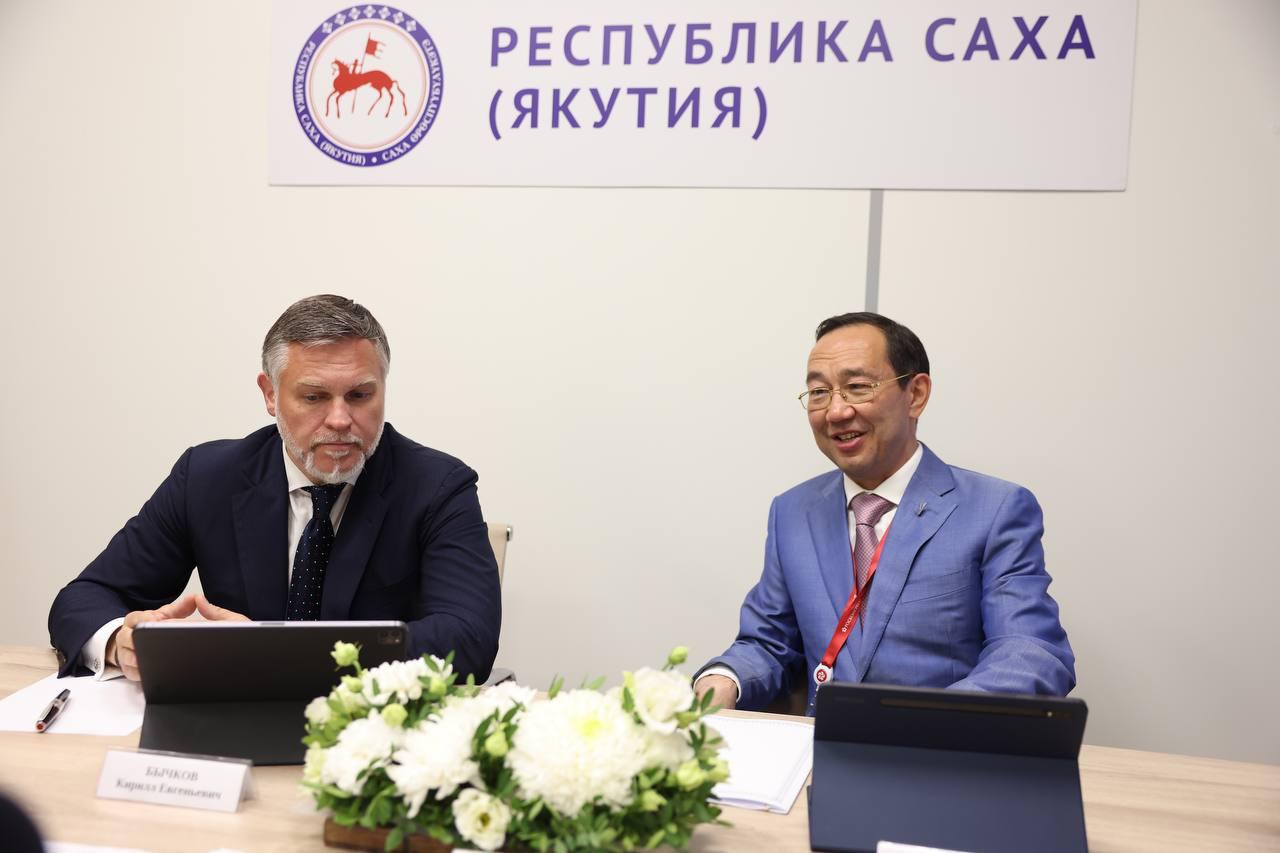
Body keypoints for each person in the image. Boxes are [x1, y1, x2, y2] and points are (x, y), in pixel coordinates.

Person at [48, 295, 501, 683]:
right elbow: (82, 599)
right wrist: (119, 642)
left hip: (366, 731)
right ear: (270, 394)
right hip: (231, 726)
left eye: (360, 396)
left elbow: (469, 641)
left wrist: (270, 653)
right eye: (314, 397)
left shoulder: (437, 487)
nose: (340, 419)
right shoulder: (207, 477)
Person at [695, 312, 1074, 712]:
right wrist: (723, 680)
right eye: (819, 392)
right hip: (817, 747)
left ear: (916, 394)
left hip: (936, 745)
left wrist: (924, 723)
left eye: (857, 387)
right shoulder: (793, 511)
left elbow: (1031, 653)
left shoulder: (995, 509)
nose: (836, 411)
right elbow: (768, 642)